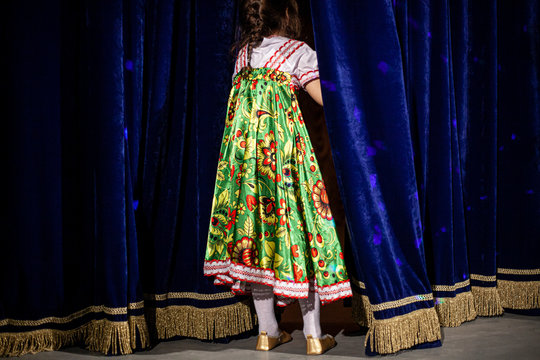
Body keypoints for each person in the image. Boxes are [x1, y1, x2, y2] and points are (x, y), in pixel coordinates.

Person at [203, 0, 352, 355]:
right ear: (287, 16)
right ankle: (314, 335)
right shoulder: (296, 51)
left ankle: (267, 332)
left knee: (257, 241)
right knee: (300, 235)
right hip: (284, 164)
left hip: (247, 170)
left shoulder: (243, 56)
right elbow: (324, 99)